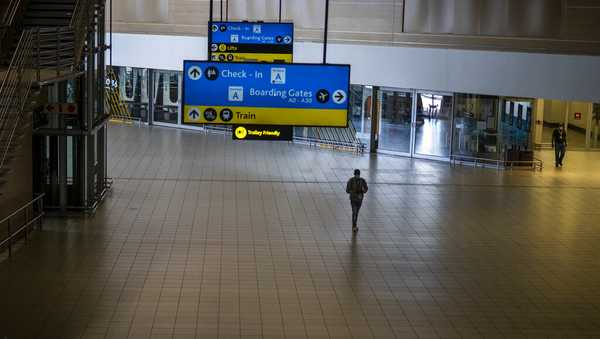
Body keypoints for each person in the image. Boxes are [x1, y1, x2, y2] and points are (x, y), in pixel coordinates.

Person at [346, 169, 368, 233]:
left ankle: (354, 224)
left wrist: (363, 190)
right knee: (354, 212)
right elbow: (347, 190)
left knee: (356, 213)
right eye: (356, 175)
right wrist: (353, 192)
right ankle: (354, 226)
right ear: (354, 174)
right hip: (353, 199)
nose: (357, 176)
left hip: (360, 200)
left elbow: (366, 188)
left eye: (358, 175)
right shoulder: (351, 181)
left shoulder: (362, 181)